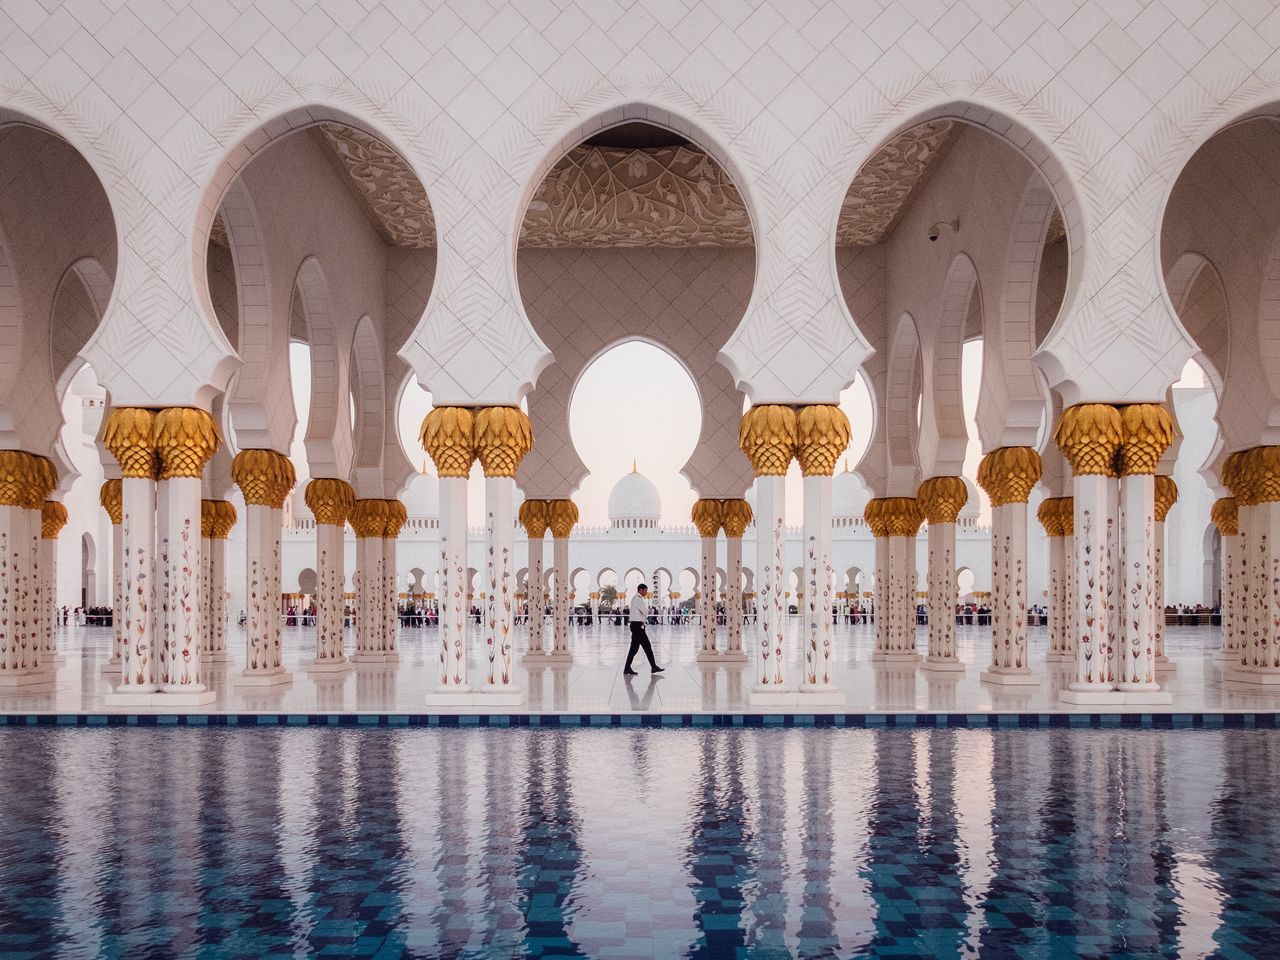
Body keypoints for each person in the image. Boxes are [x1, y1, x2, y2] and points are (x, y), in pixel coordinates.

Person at [624, 583, 663, 676]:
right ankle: (628, 668)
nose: (646, 592)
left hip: (637, 626)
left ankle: (652, 667)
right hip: (637, 626)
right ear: (641, 590)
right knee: (640, 648)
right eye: (645, 590)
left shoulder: (636, 598)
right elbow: (645, 612)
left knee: (641, 647)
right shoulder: (638, 599)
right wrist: (648, 611)